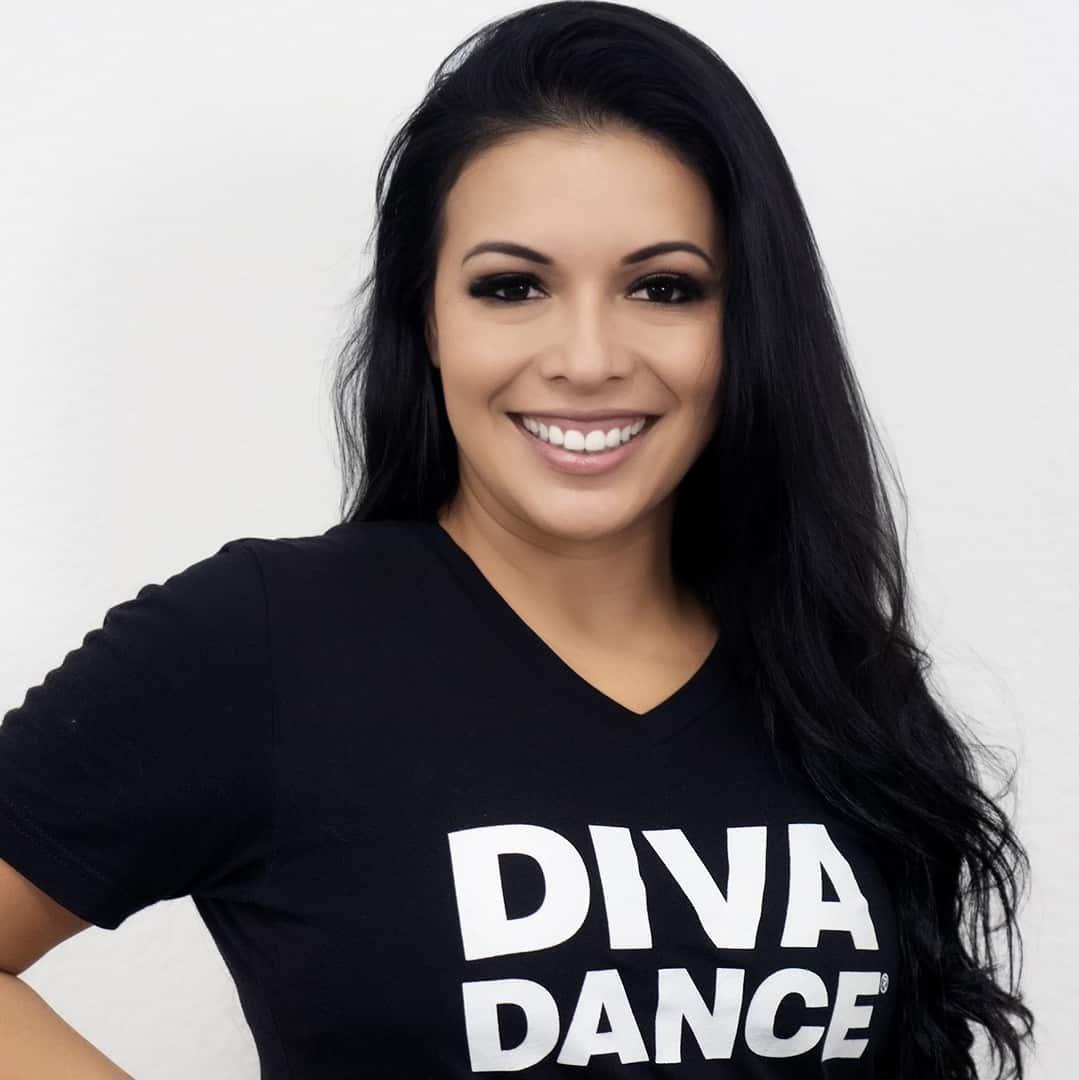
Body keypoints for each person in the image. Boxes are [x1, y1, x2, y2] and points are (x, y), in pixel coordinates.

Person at [0, 2, 1035, 1077]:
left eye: (663, 288)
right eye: (511, 287)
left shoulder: (840, 686)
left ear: (743, 327)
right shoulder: (264, 644)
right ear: (427, 319)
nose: (586, 358)